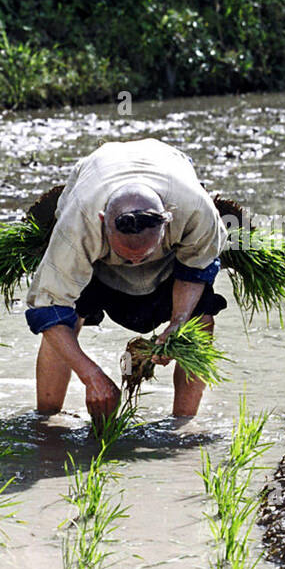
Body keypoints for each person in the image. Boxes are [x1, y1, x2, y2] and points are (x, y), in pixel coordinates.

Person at [24, 138, 228, 421]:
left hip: (168, 253)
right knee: (68, 320)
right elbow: (48, 310)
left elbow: (196, 270)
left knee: (201, 321)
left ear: (167, 222)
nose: (133, 262)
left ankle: (183, 426)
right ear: (101, 220)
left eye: (142, 255)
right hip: (98, 256)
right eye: (126, 254)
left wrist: (178, 322)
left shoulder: (196, 210)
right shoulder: (78, 224)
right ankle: (45, 420)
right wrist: (91, 375)